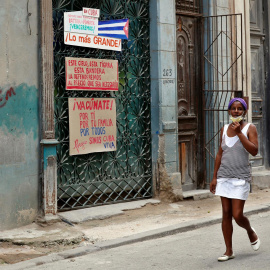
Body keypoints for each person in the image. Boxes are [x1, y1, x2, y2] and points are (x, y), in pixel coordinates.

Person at [210, 97, 260, 262]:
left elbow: (254, 151)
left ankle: (249, 231)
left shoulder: (249, 128)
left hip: (240, 177)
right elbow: (220, 153)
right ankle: (229, 250)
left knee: (237, 215)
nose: (236, 111)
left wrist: (239, 133)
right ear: (229, 111)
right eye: (233, 108)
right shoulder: (224, 129)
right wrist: (214, 177)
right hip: (224, 176)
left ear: (244, 112)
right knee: (225, 213)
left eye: (239, 109)